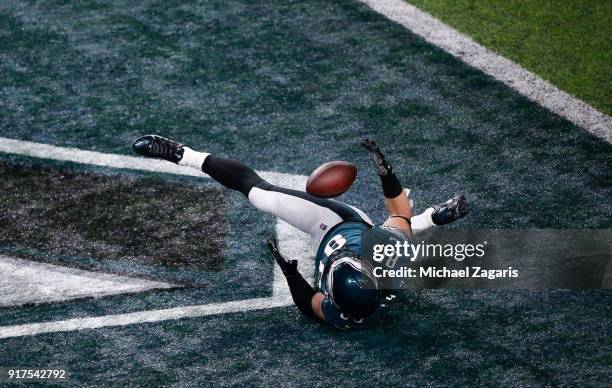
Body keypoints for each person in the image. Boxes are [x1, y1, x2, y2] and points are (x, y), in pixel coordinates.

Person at [133, 135, 468, 329]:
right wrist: (385, 171)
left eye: (340, 264)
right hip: (337, 222)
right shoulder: (382, 255)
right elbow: (398, 212)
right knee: (263, 195)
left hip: (334, 243)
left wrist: (290, 273)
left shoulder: (346, 312)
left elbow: (310, 305)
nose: (342, 259)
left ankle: (432, 219)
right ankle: (182, 154)